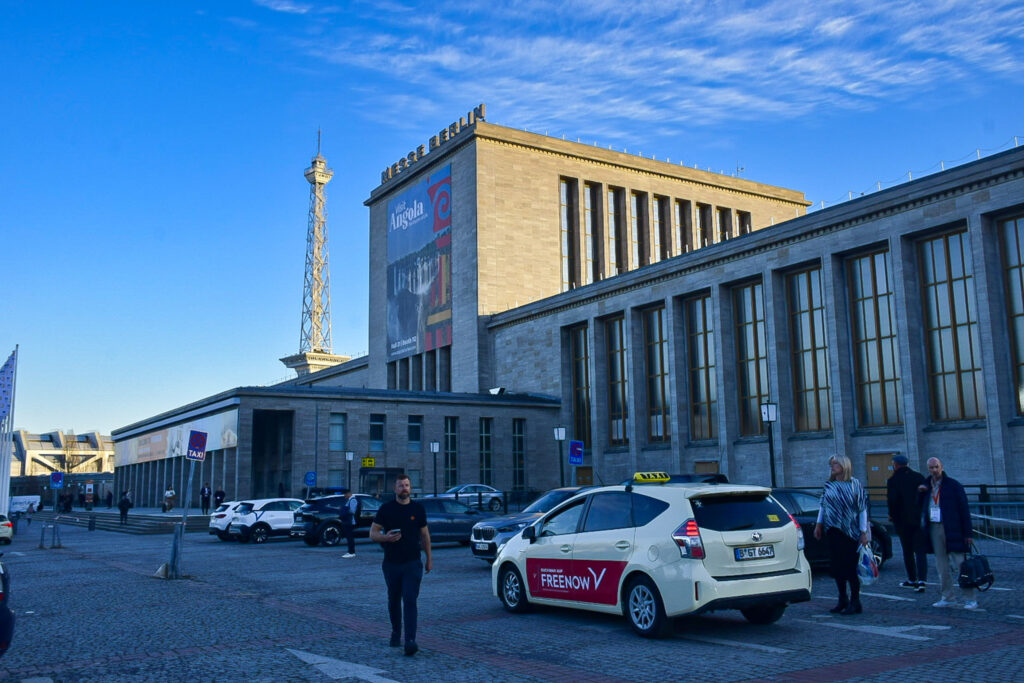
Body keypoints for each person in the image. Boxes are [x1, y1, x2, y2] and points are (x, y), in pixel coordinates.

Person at [369, 474, 432, 656]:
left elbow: (425, 536)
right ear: (395, 488)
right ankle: (396, 631)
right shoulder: (386, 509)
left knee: (410, 599)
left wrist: (429, 558)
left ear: (410, 488)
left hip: (413, 563)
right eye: (400, 485)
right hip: (391, 564)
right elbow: (373, 534)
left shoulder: (418, 509)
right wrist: (385, 537)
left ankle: (410, 640)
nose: (404, 488)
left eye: (406, 485)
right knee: (394, 600)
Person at [814, 454, 870, 615]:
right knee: (837, 567)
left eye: (835, 464)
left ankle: (855, 601)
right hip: (832, 529)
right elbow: (823, 506)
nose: (832, 467)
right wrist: (819, 524)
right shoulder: (829, 485)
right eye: (831, 464)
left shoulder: (854, 485)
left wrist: (863, 532)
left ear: (844, 466)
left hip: (850, 531)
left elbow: (862, 509)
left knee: (850, 567)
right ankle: (842, 598)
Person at [919, 457, 977, 609]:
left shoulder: (953, 485)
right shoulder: (926, 486)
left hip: (953, 527)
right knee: (941, 565)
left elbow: (964, 509)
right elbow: (919, 506)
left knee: (961, 564)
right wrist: (920, 494)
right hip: (934, 527)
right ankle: (947, 596)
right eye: (931, 467)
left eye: (936, 467)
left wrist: (968, 533)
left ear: (942, 467)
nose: (934, 470)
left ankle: (970, 597)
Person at [887, 454, 927, 592]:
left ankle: (912, 578)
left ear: (895, 465)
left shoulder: (893, 480)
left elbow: (892, 501)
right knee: (920, 550)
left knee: (907, 550)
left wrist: (892, 515)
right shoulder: (918, 477)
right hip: (917, 518)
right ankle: (922, 579)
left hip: (902, 520)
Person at [340, 489, 360, 558]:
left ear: (348, 493)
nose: (345, 496)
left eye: (345, 494)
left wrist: (344, 511)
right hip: (348, 521)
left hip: (350, 521)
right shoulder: (350, 500)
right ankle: (350, 551)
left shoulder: (353, 500)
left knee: (350, 537)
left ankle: (351, 552)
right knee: (349, 537)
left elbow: (352, 511)